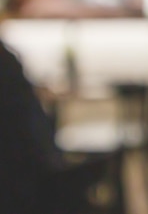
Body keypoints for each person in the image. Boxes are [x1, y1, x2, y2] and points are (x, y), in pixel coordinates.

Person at [0, 41, 123, 214]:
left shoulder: (7, 64)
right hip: (34, 184)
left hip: (27, 181)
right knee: (110, 165)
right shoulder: (6, 63)